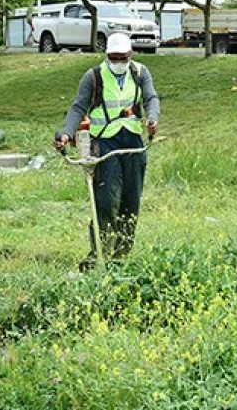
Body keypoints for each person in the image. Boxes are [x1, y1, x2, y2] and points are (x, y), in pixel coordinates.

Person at [54, 32, 159, 270]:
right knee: (106, 201)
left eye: (123, 58)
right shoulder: (93, 77)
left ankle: (120, 257)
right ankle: (99, 253)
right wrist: (66, 133)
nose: (119, 62)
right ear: (107, 56)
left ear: (130, 56)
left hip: (133, 144)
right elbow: (78, 108)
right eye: (114, 58)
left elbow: (151, 98)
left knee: (131, 203)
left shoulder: (140, 73)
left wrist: (152, 117)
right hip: (105, 145)